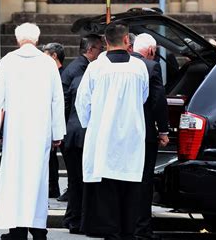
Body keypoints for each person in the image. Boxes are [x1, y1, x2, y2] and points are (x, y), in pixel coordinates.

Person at [0, 22, 66, 240]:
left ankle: (17, 230)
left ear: (16, 39)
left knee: (15, 179)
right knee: (38, 180)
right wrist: (58, 132)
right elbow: (57, 100)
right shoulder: (48, 64)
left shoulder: (8, 61)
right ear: (38, 40)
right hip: (40, 130)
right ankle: (38, 229)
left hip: (16, 131)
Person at [76, 23, 149, 240]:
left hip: (103, 139)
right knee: (129, 190)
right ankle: (127, 232)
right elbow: (143, 98)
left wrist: (95, 125)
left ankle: (111, 232)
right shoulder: (139, 68)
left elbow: (82, 103)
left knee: (106, 191)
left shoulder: (96, 68)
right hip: (132, 137)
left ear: (105, 42)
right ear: (127, 40)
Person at [60, 34, 103, 234]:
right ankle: (77, 220)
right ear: (92, 49)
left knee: (75, 181)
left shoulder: (77, 68)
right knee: (80, 181)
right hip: (79, 133)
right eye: (100, 50)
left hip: (70, 132)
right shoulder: (82, 71)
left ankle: (72, 219)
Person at [131, 33, 170, 240]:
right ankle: (142, 228)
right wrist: (163, 131)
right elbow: (158, 101)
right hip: (145, 134)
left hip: (122, 134)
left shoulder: (122, 65)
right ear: (152, 51)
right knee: (144, 182)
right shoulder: (151, 67)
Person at [43, 42, 65, 199]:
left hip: (59, 121)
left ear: (54, 56)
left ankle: (53, 187)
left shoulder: (61, 74)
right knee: (50, 158)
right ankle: (52, 187)